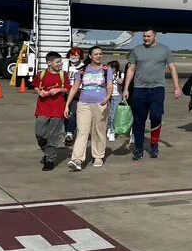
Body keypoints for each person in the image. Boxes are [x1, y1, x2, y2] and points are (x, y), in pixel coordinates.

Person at [123, 29, 181, 160]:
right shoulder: (137, 50)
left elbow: (172, 68)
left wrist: (177, 87)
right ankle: (138, 149)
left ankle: (154, 144)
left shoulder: (164, 50)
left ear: (155, 36)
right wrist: (126, 88)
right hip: (139, 89)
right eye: (144, 36)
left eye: (148, 36)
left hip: (157, 89)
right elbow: (131, 69)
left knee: (156, 116)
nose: (146, 38)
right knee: (138, 121)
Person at [64, 46, 114, 170]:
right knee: (82, 131)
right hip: (83, 104)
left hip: (100, 104)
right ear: (90, 56)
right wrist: (67, 105)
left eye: (100, 54)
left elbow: (109, 86)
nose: (98, 56)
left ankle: (98, 156)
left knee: (99, 131)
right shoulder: (82, 71)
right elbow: (75, 88)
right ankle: (77, 159)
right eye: (96, 54)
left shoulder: (106, 70)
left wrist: (108, 96)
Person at [32, 51, 70, 171]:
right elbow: (36, 86)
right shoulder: (41, 74)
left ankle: (49, 160)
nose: (60, 64)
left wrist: (59, 89)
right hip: (42, 108)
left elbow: (68, 89)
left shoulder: (63, 75)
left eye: (61, 62)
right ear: (49, 63)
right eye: (57, 62)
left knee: (53, 136)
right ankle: (48, 151)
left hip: (58, 109)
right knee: (39, 133)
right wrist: (39, 92)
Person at [63, 47, 85, 145]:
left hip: (77, 93)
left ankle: (70, 133)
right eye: (72, 55)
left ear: (80, 56)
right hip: (64, 92)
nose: (73, 57)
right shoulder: (64, 65)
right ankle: (67, 131)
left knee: (72, 113)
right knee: (65, 115)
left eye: (76, 55)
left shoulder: (84, 67)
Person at [106, 60, 124, 142]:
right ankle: (109, 128)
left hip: (117, 96)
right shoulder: (106, 74)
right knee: (108, 114)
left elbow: (122, 82)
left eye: (110, 67)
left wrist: (120, 81)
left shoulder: (120, 74)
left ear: (114, 68)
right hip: (107, 96)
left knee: (114, 114)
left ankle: (112, 132)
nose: (108, 69)